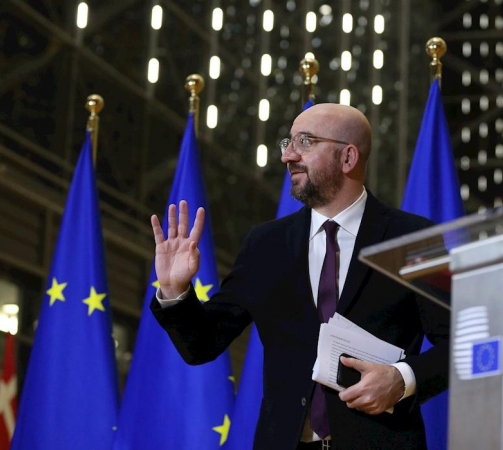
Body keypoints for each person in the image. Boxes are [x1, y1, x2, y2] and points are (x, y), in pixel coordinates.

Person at [150, 103, 450, 449]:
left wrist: (402, 380)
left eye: (305, 142)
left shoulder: (412, 238)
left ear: (348, 157)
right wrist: (175, 292)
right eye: (287, 143)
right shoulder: (266, 244)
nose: (288, 156)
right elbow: (201, 344)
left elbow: (458, 341)